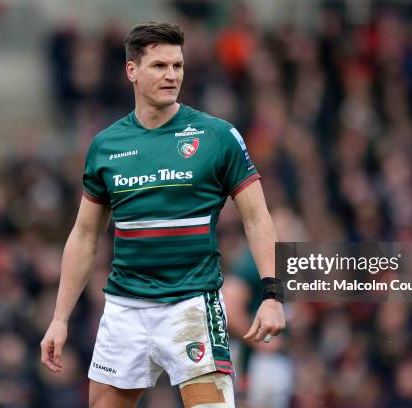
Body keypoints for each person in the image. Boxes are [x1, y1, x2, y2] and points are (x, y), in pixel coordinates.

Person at [40, 22, 285, 408]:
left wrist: (271, 294)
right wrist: (59, 318)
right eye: (159, 66)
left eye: (178, 65)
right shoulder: (106, 146)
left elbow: (258, 218)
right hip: (125, 308)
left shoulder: (217, 137)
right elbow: (85, 235)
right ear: (131, 71)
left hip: (192, 305)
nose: (172, 75)